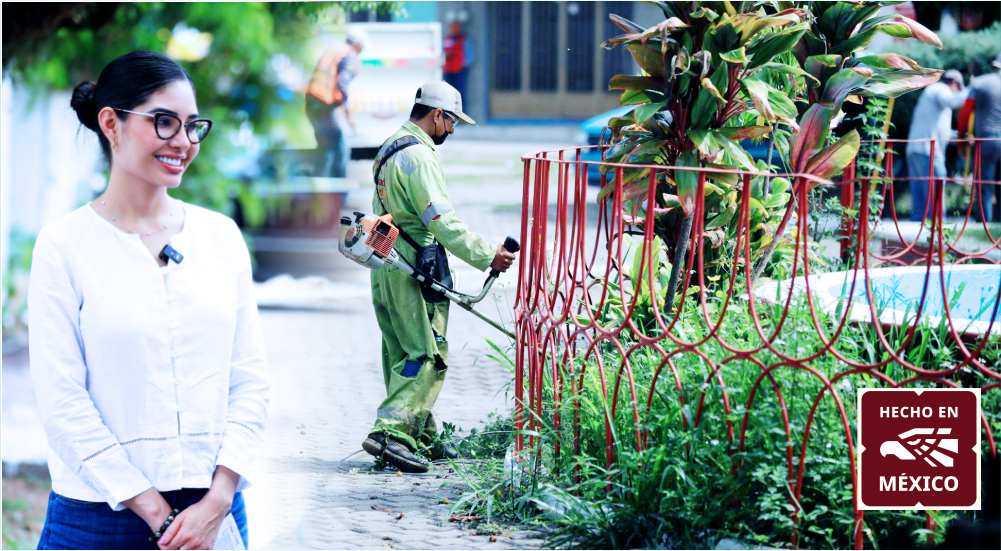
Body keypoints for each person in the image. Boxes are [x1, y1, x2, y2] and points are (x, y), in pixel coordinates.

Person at [30, 51, 269, 550]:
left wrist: (219, 498)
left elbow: (248, 380)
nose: (183, 142)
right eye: (164, 122)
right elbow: (62, 401)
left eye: (193, 126)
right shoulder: (64, 245)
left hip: (216, 512)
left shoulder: (220, 237)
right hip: (98, 520)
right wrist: (159, 514)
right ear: (111, 124)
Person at [361, 81, 516, 473]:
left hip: (386, 262)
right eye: (452, 122)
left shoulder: (390, 146)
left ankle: (422, 436)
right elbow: (442, 223)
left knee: (402, 354)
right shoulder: (419, 157)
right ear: (436, 115)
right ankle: (391, 434)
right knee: (427, 354)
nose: (452, 130)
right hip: (415, 269)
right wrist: (488, 255)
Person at [905, 69, 968, 222]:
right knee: (936, 189)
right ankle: (939, 227)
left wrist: (960, 137)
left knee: (920, 197)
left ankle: (918, 230)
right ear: (955, 84)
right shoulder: (940, 89)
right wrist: (972, 89)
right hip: (929, 151)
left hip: (916, 148)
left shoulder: (932, 92)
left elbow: (942, 131)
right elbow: (953, 101)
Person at [305, 27, 368, 177]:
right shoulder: (349, 56)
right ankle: (338, 187)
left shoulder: (335, 49)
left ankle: (320, 184)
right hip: (322, 105)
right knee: (339, 147)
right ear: (357, 44)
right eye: (362, 47)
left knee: (325, 148)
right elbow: (342, 84)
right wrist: (348, 115)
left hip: (312, 102)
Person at [962, 53, 1001, 222]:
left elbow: (965, 112)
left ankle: (984, 222)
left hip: (986, 140)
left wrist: (962, 135)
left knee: (984, 185)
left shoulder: (980, 82)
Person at [442, 21, 474, 101]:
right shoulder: (446, 39)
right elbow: (442, 51)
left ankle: (461, 108)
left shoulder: (464, 40)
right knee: (447, 92)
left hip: (459, 70)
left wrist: (464, 66)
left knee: (460, 92)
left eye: (456, 28)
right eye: (453, 28)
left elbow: (469, 54)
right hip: (447, 70)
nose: (454, 30)